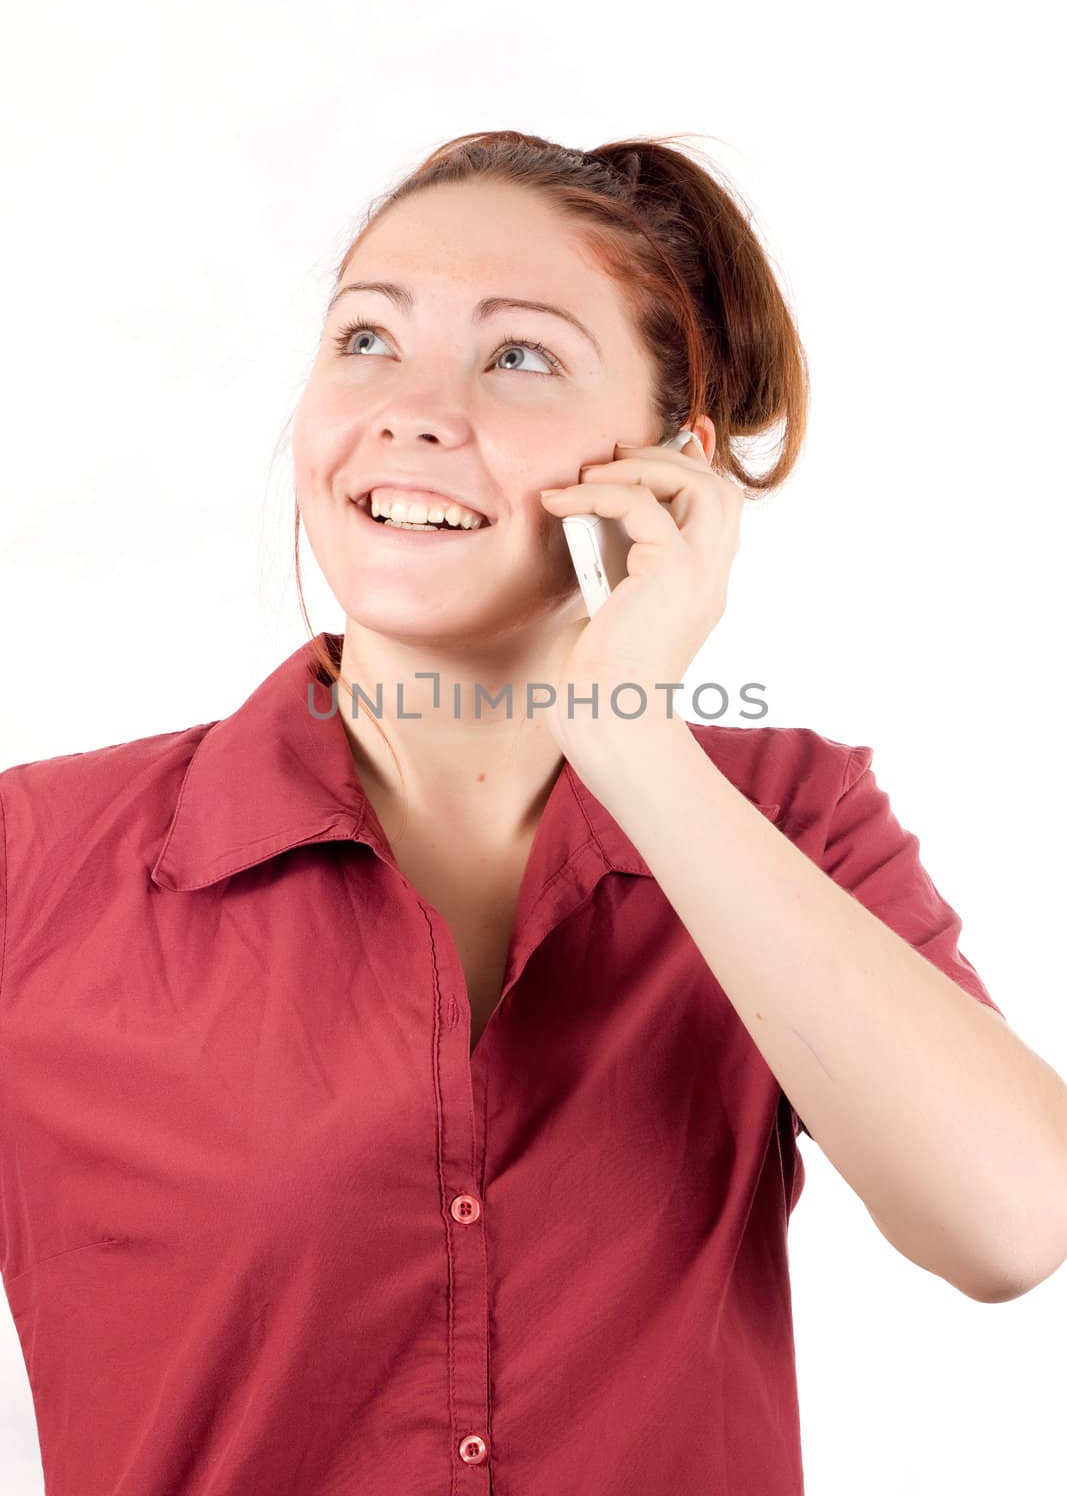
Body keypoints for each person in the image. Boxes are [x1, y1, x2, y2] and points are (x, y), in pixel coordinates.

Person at [2, 131, 1064, 1496]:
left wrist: (637, 747)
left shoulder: (789, 821)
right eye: (367, 340)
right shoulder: (41, 863)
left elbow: (1013, 1224)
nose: (413, 409)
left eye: (519, 358)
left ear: (665, 466)